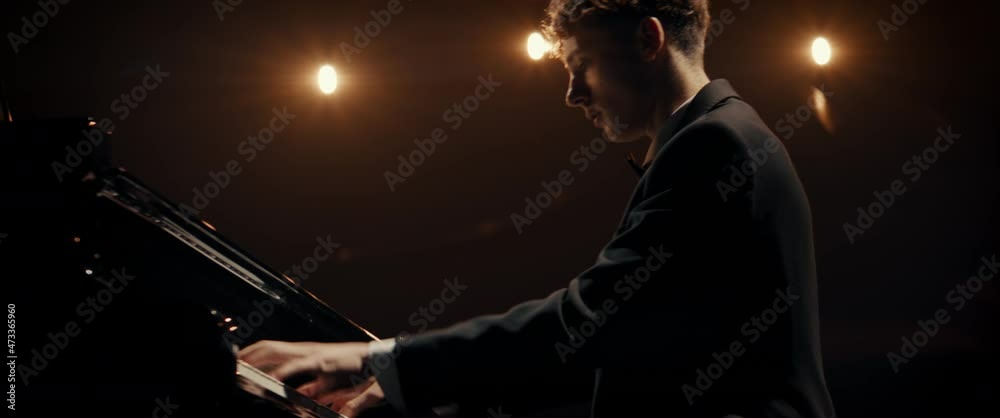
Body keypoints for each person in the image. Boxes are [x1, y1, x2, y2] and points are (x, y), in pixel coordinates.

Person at [238, 1, 836, 417]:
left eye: (581, 68)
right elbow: (624, 344)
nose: (573, 95)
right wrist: (419, 389)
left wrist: (374, 359)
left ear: (649, 40)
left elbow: (588, 322)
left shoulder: (716, 144)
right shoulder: (718, 136)